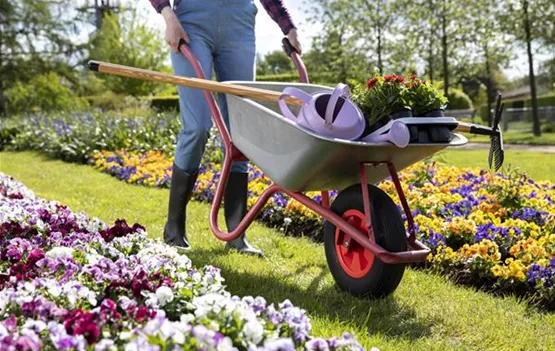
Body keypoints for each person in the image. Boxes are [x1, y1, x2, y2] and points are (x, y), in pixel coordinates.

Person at [149, 0, 302, 257]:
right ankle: (174, 229)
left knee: (240, 134)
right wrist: (169, 17)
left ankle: (237, 234)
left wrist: (289, 27)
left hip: (239, 26)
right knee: (197, 127)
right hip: (192, 22)